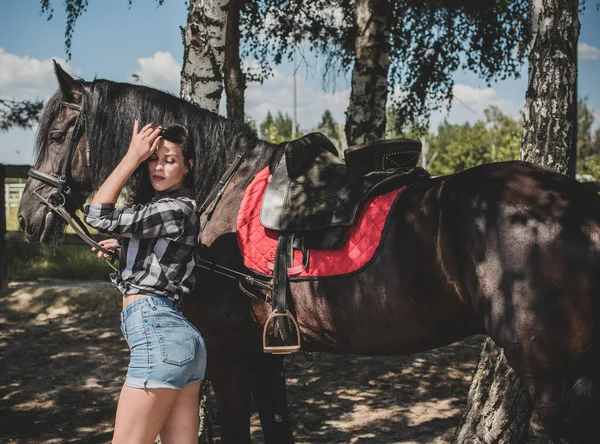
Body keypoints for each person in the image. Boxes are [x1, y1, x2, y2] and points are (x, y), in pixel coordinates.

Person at [83, 120, 205, 444]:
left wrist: (132, 156)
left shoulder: (173, 208)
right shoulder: (180, 207)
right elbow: (170, 256)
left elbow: (97, 215)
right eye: (154, 158)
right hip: (181, 338)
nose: (159, 167)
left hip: (159, 333)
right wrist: (125, 249)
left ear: (187, 166)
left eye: (170, 160)